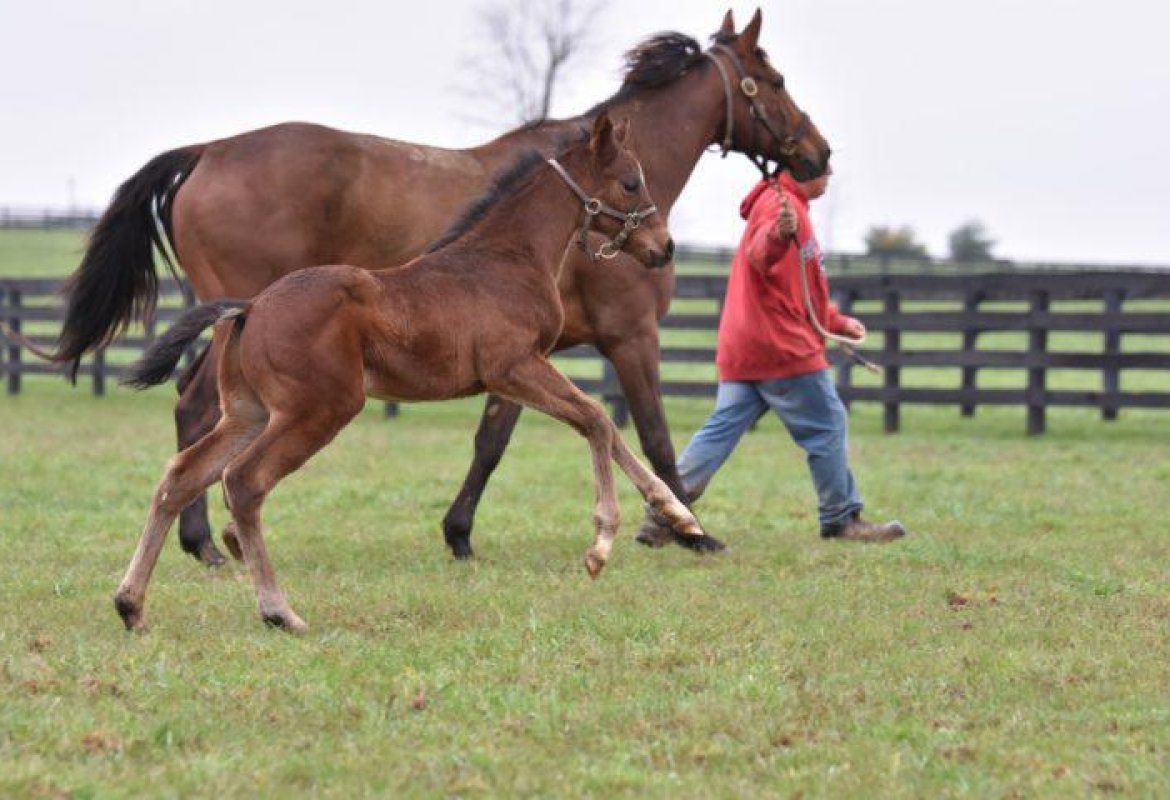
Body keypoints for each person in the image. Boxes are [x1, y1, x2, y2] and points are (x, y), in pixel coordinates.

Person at [638, 166, 906, 546]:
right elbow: (760, 253)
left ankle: (665, 513)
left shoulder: (788, 204)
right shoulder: (779, 205)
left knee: (720, 431)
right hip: (779, 345)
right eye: (823, 163)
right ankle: (840, 518)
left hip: (745, 345)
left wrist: (836, 322)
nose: (830, 171)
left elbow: (796, 288)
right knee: (827, 424)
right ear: (801, 165)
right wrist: (779, 234)